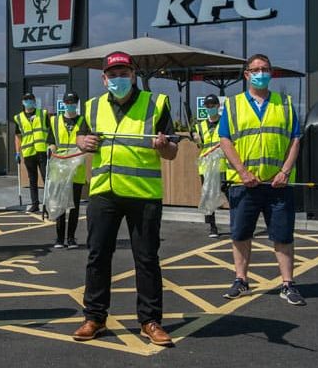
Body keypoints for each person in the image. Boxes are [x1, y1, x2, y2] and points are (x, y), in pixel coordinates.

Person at [73, 51, 178, 347]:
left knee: (146, 259)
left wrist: (162, 146)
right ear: (104, 79)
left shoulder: (155, 103)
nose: (118, 78)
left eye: (124, 73)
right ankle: (94, 318)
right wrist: (82, 141)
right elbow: (82, 139)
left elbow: (172, 151)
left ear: (133, 75)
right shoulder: (92, 106)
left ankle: (150, 321)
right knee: (97, 256)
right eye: (113, 74)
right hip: (103, 193)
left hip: (143, 194)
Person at [218, 54, 304, 306]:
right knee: (241, 234)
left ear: (271, 73)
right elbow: (225, 140)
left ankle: (288, 284)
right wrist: (243, 172)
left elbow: (295, 139)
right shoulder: (233, 105)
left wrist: (285, 171)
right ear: (246, 75)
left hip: (278, 184)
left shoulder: (285, 103)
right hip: (244, 184)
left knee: (283, 236)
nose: (260, 73)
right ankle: (241, 280)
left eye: (264, 69)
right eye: (255, 69)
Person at [49, 92, 85, 249]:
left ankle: (71, 238)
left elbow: (84, 142)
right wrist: (50, 150)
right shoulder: (54, 121)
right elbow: (51, 141)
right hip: (60, 168)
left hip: (77, 168)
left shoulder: (83, 121)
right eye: (68, 102)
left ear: (76, 103)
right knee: (60, 205)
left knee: (74, 205)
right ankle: (59, 239)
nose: (70, 104)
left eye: (73, 102)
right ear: (63, 103)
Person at [14, 92, 54, 213]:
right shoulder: (18, 118)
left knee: (46, 178)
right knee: (32, 180)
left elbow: (51, 131)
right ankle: (35, 204)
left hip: (42, 151)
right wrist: (17, 152)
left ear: (35, 101)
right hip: (28, 152)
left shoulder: (42, 114)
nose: (29, 102)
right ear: (22, 102)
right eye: (26, 100)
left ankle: (48, 204)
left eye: (31, 99)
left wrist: (51, 146)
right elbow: (17, 136)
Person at [195, 94, 224, 238]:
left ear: (218, 106)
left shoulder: (225, 122)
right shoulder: (200, 126)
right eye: (208, 106)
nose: (210, 108)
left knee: (231, 195)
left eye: (213, 106)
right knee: (208, 196)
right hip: (206, 165)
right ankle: (212, 226)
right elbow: (200, 145)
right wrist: (197, 140)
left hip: (223, 164)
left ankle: (239, 224)